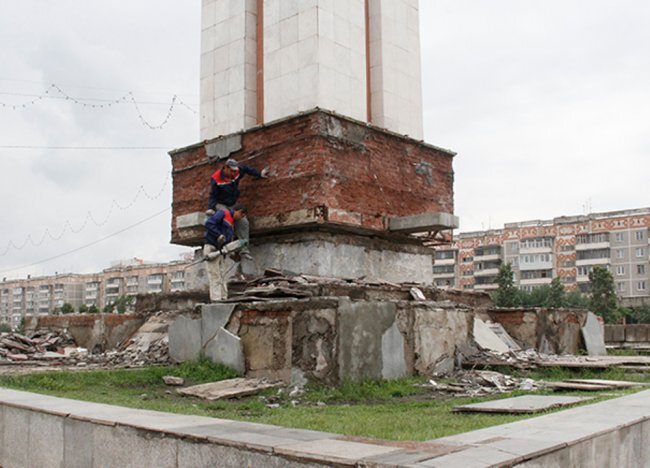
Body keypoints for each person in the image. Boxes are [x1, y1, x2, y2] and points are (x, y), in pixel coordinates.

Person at [207, 158, 268, 258]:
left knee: (243, 222)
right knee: (227, 218)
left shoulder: (237, 172)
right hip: (220, 203)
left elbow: (247, 169)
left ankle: (244, 249)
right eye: (231, 171)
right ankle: (228, 249)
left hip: (232, 204)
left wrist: (260, 173)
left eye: (235, 171)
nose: (233, 173)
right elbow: (212, 194)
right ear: (225, 168)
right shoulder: (216, 178)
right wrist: (211, 208)